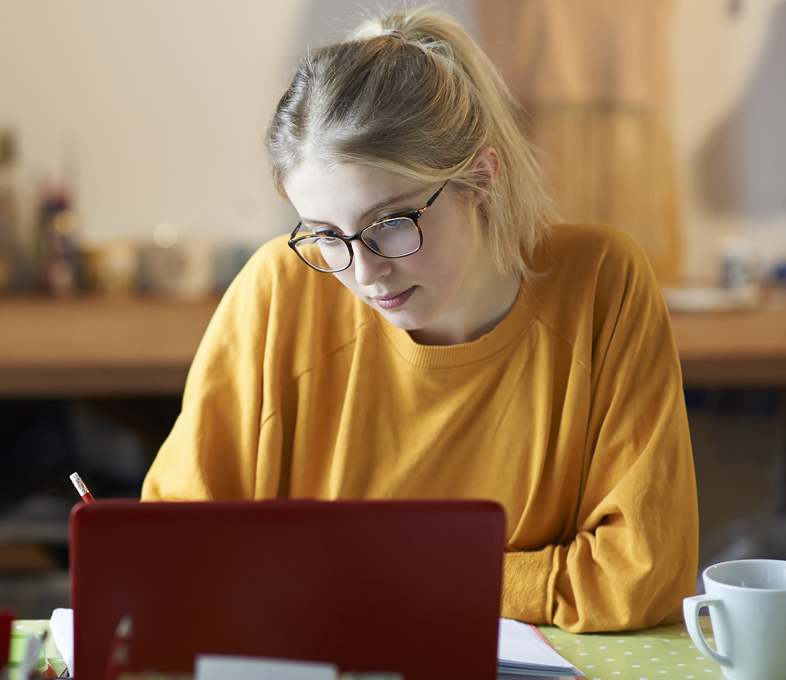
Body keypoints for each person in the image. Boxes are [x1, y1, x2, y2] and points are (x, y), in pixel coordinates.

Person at [140, 7, 698, 633]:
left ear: (479, 179)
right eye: (326, 234)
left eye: (390, 223)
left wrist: (365, 575)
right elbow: (174, 545)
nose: (364, 273)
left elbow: (641, 575)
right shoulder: (279, 290)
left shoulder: (601, 282)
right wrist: (512, 577)